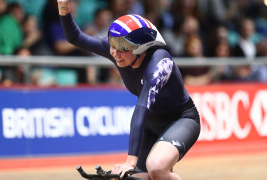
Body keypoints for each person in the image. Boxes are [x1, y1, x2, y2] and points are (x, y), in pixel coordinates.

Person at [57, 1, 201, 180]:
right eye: (112, 43)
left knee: (157, 167)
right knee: (133, 178)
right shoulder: (117, 50)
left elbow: (141, 108)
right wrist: (63, 7)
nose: (115, 52)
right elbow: (76, 38)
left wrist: (130, 161)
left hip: (181, 120)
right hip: (151, 123)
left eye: (122, 47)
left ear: (141, 48)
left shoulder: (159, 63)